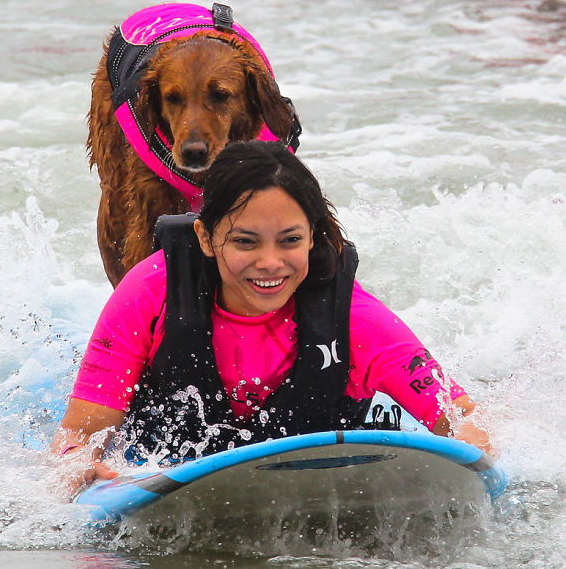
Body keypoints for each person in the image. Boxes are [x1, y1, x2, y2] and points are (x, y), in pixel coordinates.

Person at [52, 140, 493, 495]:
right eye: (245, 241)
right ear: (205, 237)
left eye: (290, 240)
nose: (270, 262)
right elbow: (77, 437)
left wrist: (475, 443)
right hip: (160, 466)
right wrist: (78, 467)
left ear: (312, 237)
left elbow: (462, 417)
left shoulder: (355, 319)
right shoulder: (150, 293)